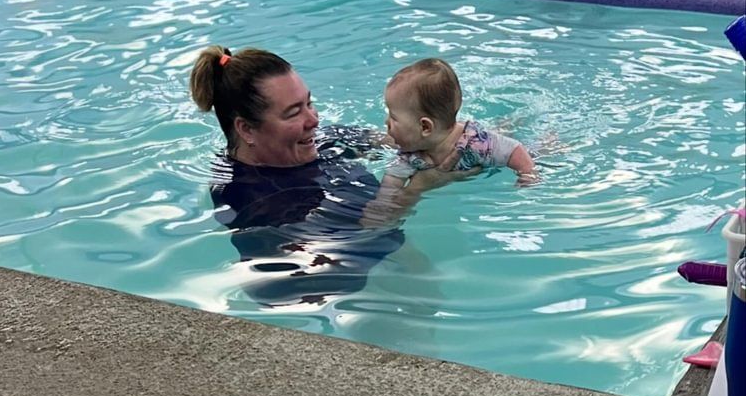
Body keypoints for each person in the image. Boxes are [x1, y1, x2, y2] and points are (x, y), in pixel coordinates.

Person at [189, 45, 454, 307]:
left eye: (309, 103)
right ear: (246, 129)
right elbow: (331, 272)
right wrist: (418, 188)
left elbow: (413, 142)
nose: (314, 119)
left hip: (406, 277)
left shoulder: (326, 141)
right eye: (294, 112)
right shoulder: (251, 202)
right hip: (369, 305)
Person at [361, 58, 537, 227]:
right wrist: (381, 207)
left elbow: (515, 150)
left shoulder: (476, 144)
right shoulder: (408, 156)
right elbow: (390, 187)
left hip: (482, 147)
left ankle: (518, 125)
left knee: (531, 150)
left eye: (393, 117)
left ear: (425, 127)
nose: (386, 122)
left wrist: (527, 175)